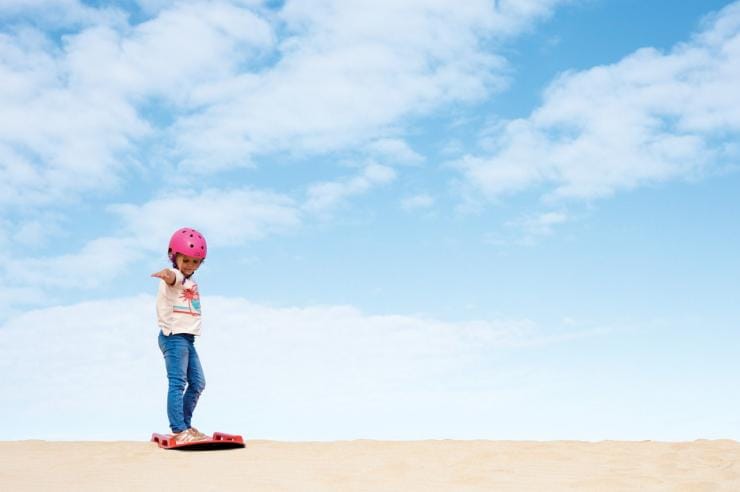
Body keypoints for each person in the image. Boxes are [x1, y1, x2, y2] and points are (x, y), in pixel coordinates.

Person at [151, 227, 210, 444]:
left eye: (195, 262)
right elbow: (171, 276)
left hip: (187, 339)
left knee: (198, 383)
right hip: (174, 337)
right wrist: (166, 274)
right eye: (185, 260)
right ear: (173, 256)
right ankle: (178, 429)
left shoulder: (191, 283)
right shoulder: (175, 275)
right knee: (178, 382)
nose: (190, 265)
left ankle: (185, 425)